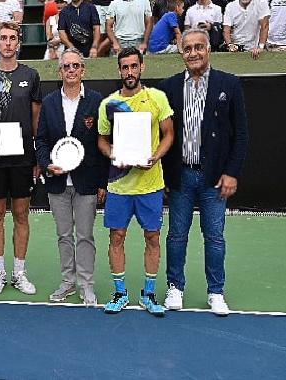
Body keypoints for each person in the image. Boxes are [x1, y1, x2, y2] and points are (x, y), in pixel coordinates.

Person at [158, 28, 248, 316]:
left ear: (209, 50)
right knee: (176, 236)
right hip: (180, 176)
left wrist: (232, 172)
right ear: (181, 53)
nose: (193, 53)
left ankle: (216, 291)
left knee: (215, 237)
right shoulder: (169, 87)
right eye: (188, 49)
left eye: (199, 47)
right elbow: (161, 134)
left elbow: (241, 135)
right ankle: (175, 287)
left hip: (214, 178)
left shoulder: (229, 84)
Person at [97, 47, 174, 316]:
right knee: (116, 236)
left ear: (141, 67)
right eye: (124, 67)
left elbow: (168, 135)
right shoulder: (108, 104)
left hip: (150, 185)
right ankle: (120, 293)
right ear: (119, 70)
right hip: (119, 185)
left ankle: (148, 294)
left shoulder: (157, 98)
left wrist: (154, 158)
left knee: (152, 237)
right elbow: (102, 140)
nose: (129, 72)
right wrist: (113, 154)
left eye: (133, 66)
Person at [0, 21, 42, 296]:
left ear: (19, 43)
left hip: (23, 156)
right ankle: (0, 272)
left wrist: (37, 153)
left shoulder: (31, 75)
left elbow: (35, 118)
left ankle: (19, 273)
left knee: (22, 214)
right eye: (3, 38)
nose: (8, 43)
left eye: (13, 38)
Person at [35, 48, 108, 305]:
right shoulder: (50, 102)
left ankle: (86, 285)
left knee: (85, 235)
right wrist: (47, 164)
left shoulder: (96, 100)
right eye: (66, 66)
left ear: (83, 70)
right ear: (60, 71)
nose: (71, 70)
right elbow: (41, 140)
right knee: (64, 235)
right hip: (57, 183)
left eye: (76, 66)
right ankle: (67, 281)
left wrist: (102, 183)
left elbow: (102, 143)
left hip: (86, 182)